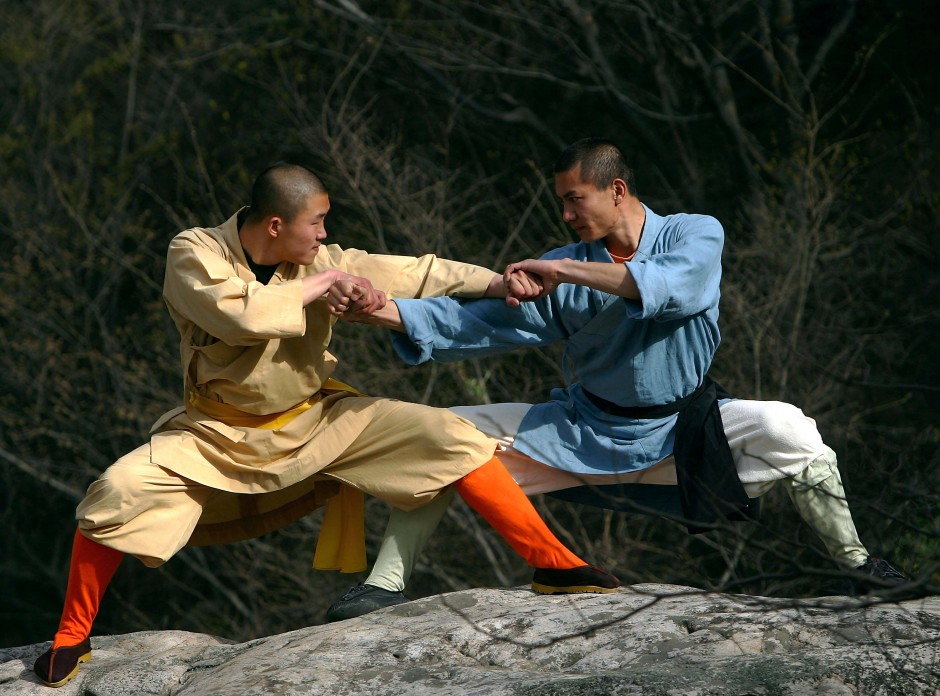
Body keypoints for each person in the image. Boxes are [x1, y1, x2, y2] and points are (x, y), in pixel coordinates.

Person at [33, 163, 620, 688]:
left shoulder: (318, 257)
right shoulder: (193, 252)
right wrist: (323, 284)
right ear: (272, 226)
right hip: (215, 435)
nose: (322, 236)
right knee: (117, 492)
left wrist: (499, 281)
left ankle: (555, 566)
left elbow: (414, 272)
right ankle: (71, 636)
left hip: (318, 420)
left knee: (452, 436)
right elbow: (241, 316)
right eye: (314, 224)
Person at [324, 137, 908, 621]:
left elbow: (666, 288)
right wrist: (377, 311)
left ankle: (858, 566)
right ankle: (385, 585)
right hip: (581, 431)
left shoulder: (693, 232)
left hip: (684, 431)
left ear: (617, 190)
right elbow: (476, 323)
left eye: (574, 200)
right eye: (562, 203)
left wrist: (559, 267)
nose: (567, 215)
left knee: (793, 428)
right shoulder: (568, 263)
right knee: (443, 435)